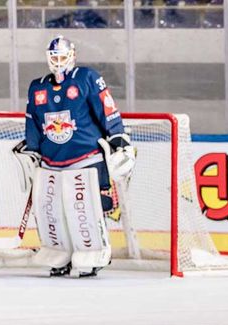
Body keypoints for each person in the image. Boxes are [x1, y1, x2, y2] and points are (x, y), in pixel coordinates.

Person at [13, 35, 135, 277]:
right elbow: (33, 122)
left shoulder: (87, 78)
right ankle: (59, 253)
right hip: (52, 163)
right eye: (54, 57)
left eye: (62, 56)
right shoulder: (37, 87)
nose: (58, 61)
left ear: (73, 55)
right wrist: (34, 150)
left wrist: (117, 137)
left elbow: (106, 108)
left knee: (84, 209)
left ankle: (93, 252)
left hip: (86, 158)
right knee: (52, 211)